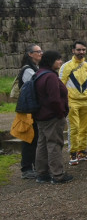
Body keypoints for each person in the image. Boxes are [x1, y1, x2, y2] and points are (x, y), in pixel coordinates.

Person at [33, 50, 74, 185]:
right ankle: (57, 174)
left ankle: (42, 173)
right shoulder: (50, 77)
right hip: (52, 116)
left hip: (40, 115)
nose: (60, 62)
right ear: (51, 61)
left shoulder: (38, 74)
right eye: (58, 59)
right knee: (54, 144)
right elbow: (54, 99)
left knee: (42, 144)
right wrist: (61, 112)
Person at [59, 41, 87, 166]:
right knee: (74, 128)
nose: (81, 52)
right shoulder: (66, 66)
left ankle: (81, 150)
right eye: (79, 50)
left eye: (83, 50)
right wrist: (64, 101)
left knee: (84, 129)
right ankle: (73, 152)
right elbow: (60, 84)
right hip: (72, 102)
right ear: (73, 51)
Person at [14, 44, 42, 179]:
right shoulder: (28, 70)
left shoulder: (35, 68)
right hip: (28, 110)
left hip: (32, 108)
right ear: (30, 54)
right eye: (38, 51)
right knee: (29, 138)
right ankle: (26, 168)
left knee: (35, 137)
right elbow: (34, 87)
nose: (41, 53)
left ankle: (36, 164)